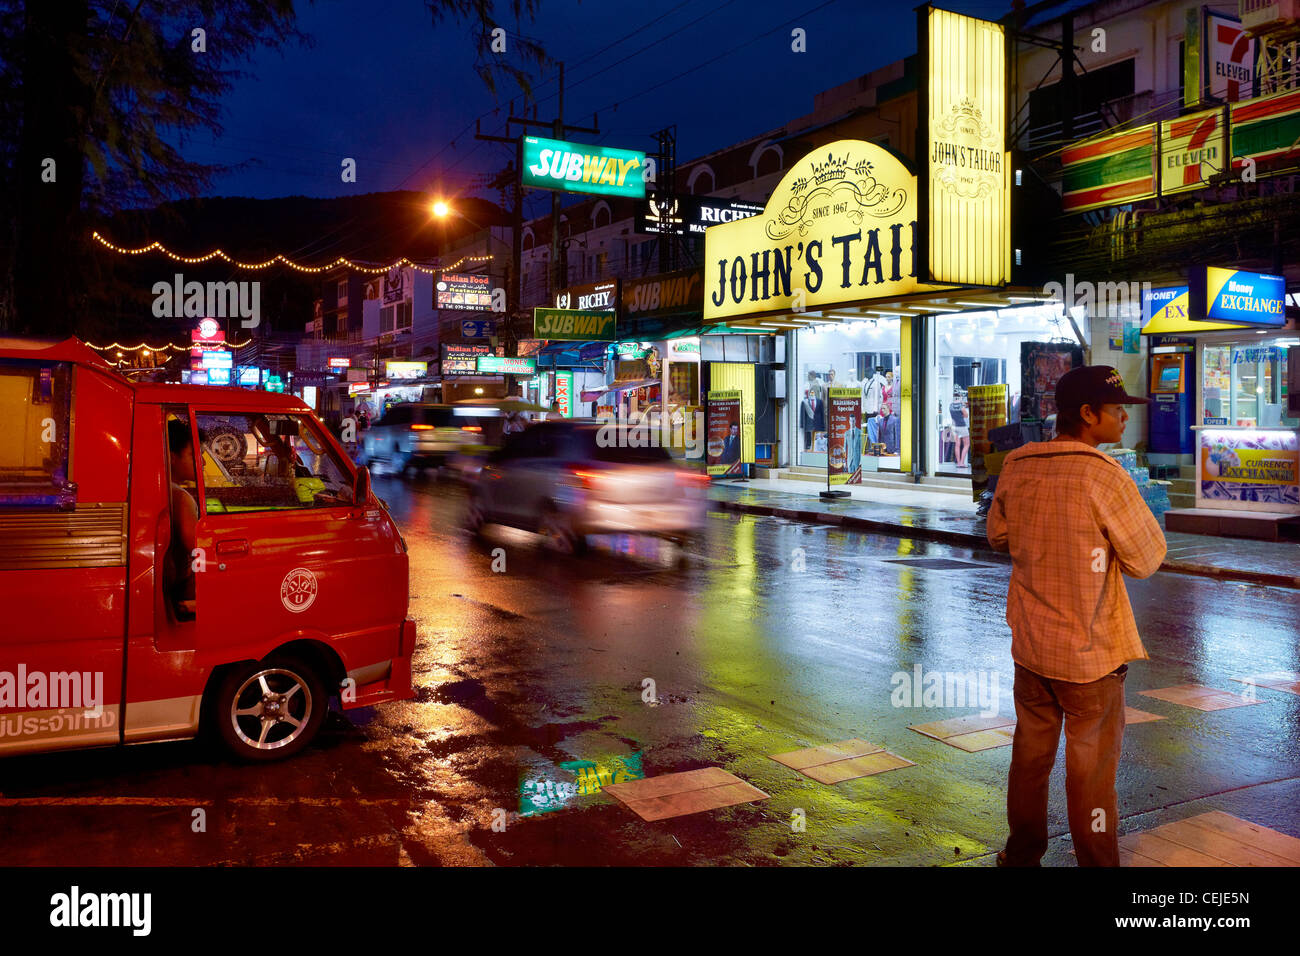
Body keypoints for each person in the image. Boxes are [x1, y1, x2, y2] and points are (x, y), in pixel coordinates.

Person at [987, 366, 1166, 867]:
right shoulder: (1105, 475)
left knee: (1029, 759)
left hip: (1032, 648)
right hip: (1091, 657)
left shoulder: (1018, 465)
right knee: (1090, 774)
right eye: (1116, 410)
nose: (1124, 418)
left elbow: (999, 537)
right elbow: (1147, 560)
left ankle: (1021, 856)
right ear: (1087, 415)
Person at [166, 418, 199, 604]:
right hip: (180, 589)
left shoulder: (163, 490)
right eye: (193, 455)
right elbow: (198, 552)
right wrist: (195, 587)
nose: (201, 462)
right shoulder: (180, 497)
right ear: (172, 457)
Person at [950, 388, 970, 468]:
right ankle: (962, 462)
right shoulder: (961, 405)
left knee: (957, 445)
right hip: (962, 426)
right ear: (960, 396)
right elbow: (966, 415)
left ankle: (958, 462)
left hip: (954, 426)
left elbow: (953, 415)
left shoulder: (951, 405)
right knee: (966, 444)